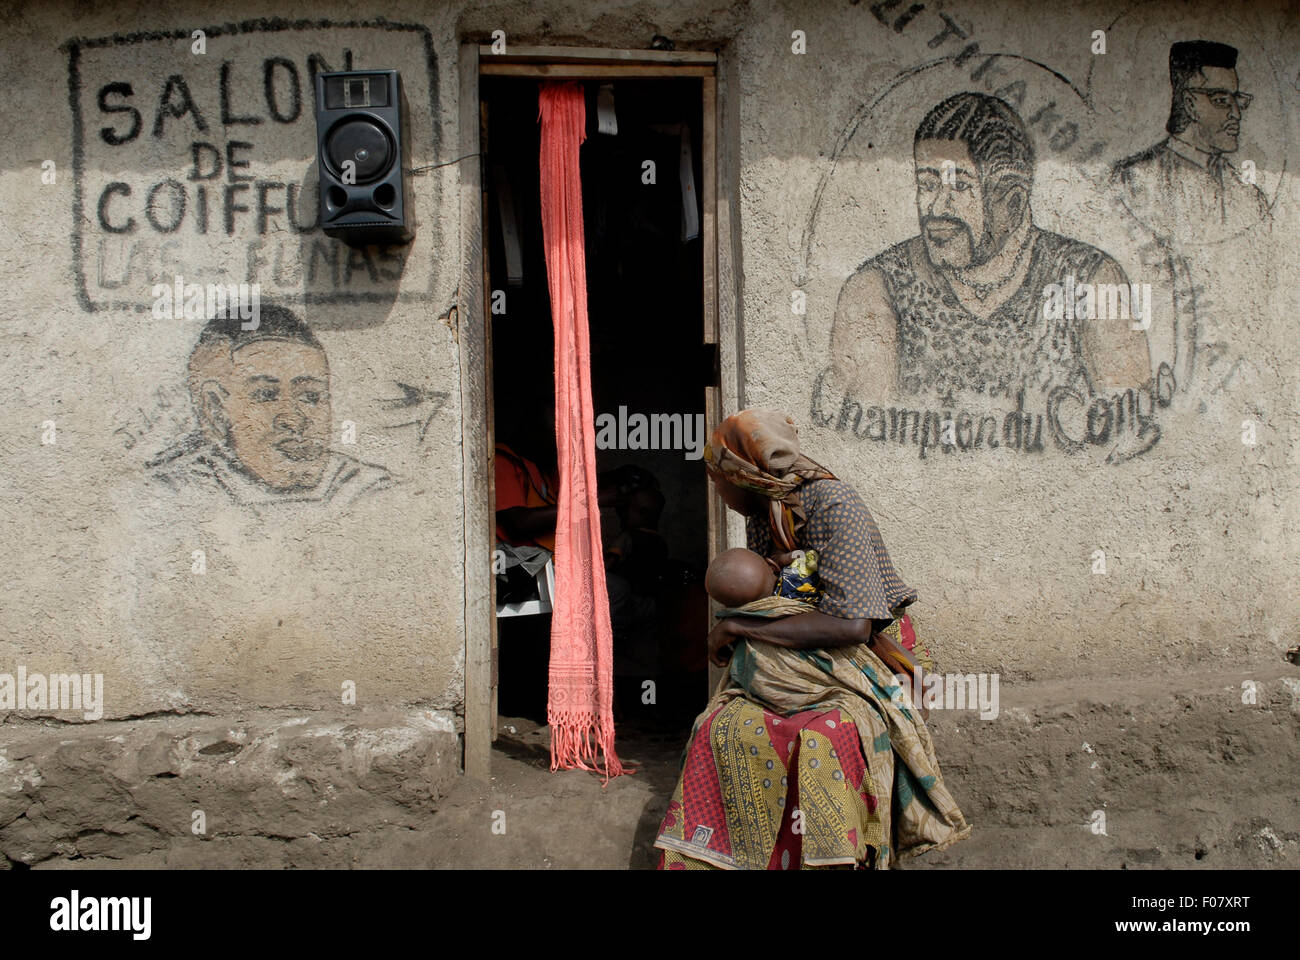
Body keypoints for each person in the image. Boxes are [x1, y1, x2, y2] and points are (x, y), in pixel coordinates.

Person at [655, 410, 969, 870]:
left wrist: (740, 627)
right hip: (794, 647)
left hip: (863, 653)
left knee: (825, 736)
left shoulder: (832, 505)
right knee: (717, 727)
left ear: (747, 475)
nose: (719, 494)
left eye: (720, 482)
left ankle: (836, 857)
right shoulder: (767, 509)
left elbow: (852, 626)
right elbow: (772, 593)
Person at [830, 91, 1151, 405]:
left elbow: (1127, 432)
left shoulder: (1090, 280)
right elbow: (864, 431)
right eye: (928, 185)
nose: (937, 208)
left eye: (960, 186)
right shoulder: (878, 287)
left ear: (1012, 200)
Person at [149, 305, 394, 512]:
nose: (293, 418)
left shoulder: (368, 490)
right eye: (266, 395)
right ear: (215, 409)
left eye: (310, 396)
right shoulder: (175, 495)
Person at [1112, 41, 1270, 243]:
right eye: (1221, 100)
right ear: (1189, 104)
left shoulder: (1247, 195)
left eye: (1237, 100)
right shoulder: (1132, 180)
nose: (1236, 114)